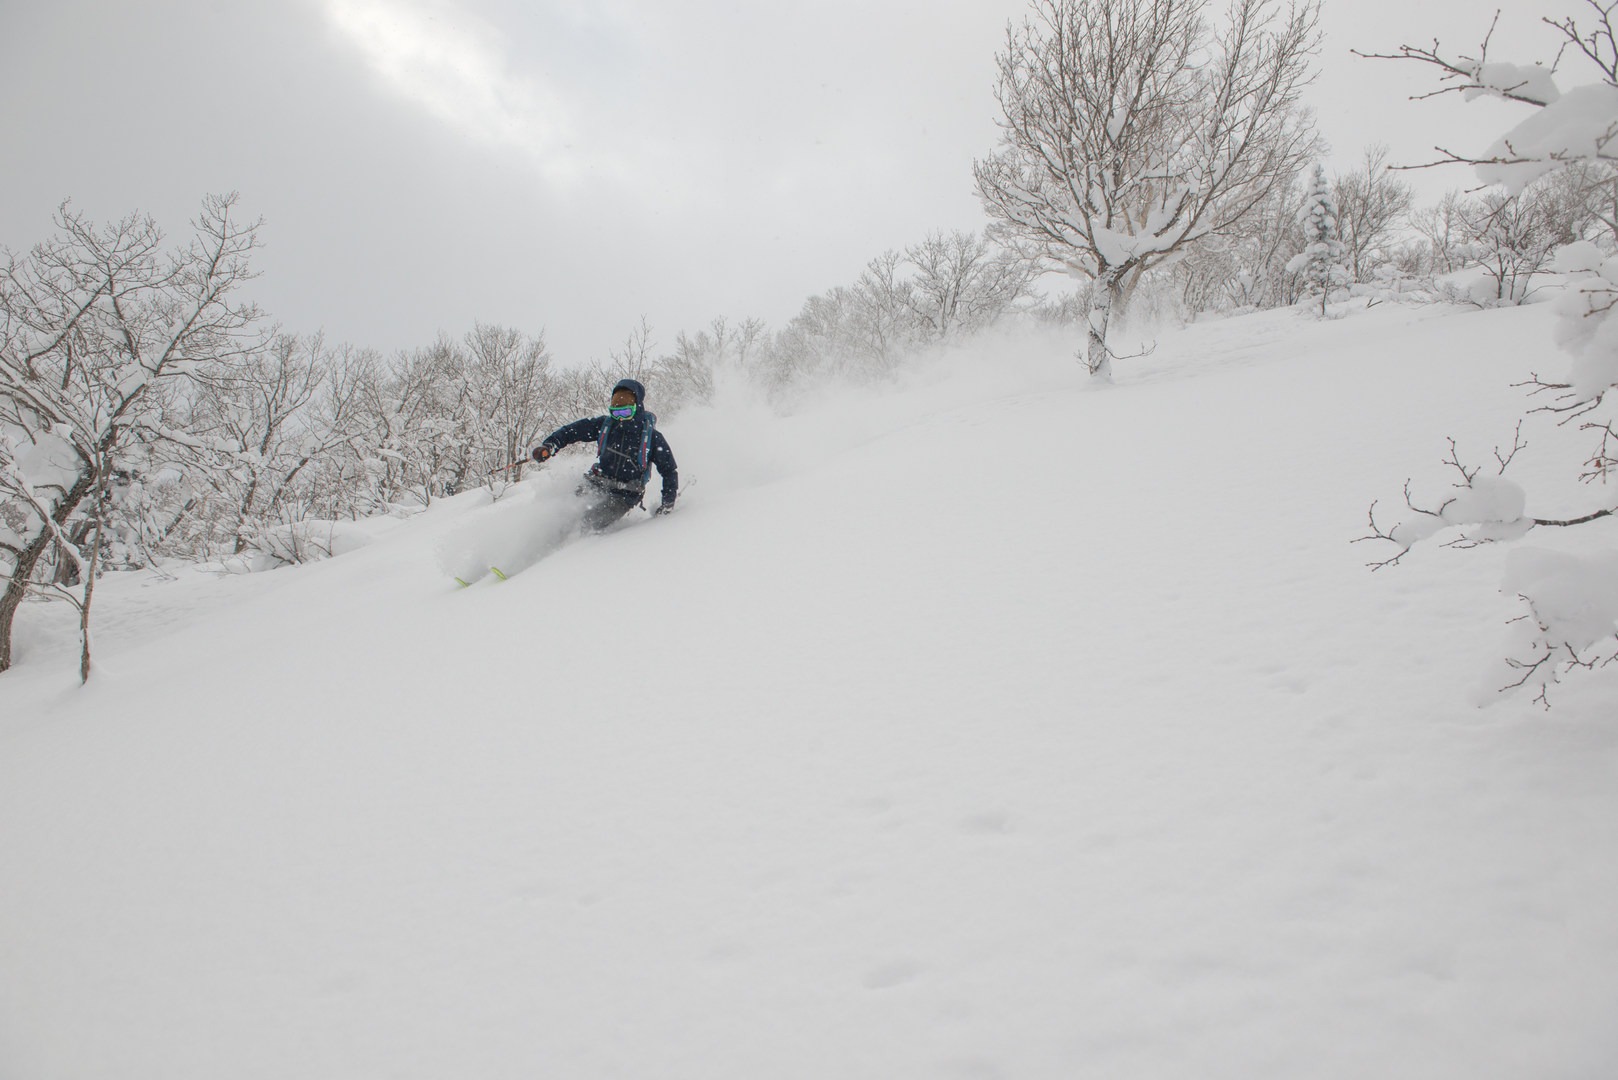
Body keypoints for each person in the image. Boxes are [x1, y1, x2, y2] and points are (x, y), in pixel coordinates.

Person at [527, 378, 678, 532]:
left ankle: (576, 550)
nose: (619, 417)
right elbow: (571, 432)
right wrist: (550, 445)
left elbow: (669, 471)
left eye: (625, 412)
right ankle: (548, 541)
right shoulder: (605, 425)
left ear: (637, 408)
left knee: (589, 523)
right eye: (615, 412)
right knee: (566, 512)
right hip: (597, 481)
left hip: (626, 494)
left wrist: (667, 503)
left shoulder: (651, 437)